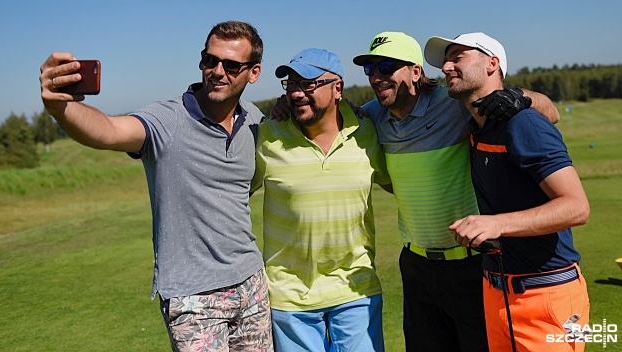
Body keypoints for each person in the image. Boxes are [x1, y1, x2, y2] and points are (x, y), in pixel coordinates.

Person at [39, 21, 273, 352]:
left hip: (251, 284)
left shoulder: (254, 119)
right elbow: (108, 131)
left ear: (253, 72)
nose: (218, 71)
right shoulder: (167, 120)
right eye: (210, 60)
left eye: (232, 65)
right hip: (193, 298)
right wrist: (59, 106)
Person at [349, 31, 561, 352]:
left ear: (415, 72)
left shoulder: (454, 103)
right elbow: (325, 111)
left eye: (387, 67)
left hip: (472, 263)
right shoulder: (373, 116)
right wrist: (285, 104)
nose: (377, 77)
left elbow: (551, 111)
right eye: (370, 70)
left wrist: (519, 97)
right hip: (416, 264)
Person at [425, 32, 590, 352]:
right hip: (497, 293)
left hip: (548, 295)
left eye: (458, 57)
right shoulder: (478, 126)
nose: (446, 66)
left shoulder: (522, 124)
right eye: (445, 60)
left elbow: (577, 207)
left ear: (492, 63)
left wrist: (496, 223)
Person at [251, 48, 392, 351]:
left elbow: (398, 184)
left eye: (308, 84)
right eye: (291, 85)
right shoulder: (268, 135)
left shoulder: (367, 131)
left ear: (337, 88)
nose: (298, 93)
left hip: (357, 290)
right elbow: (233, 194)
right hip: (289, 298)